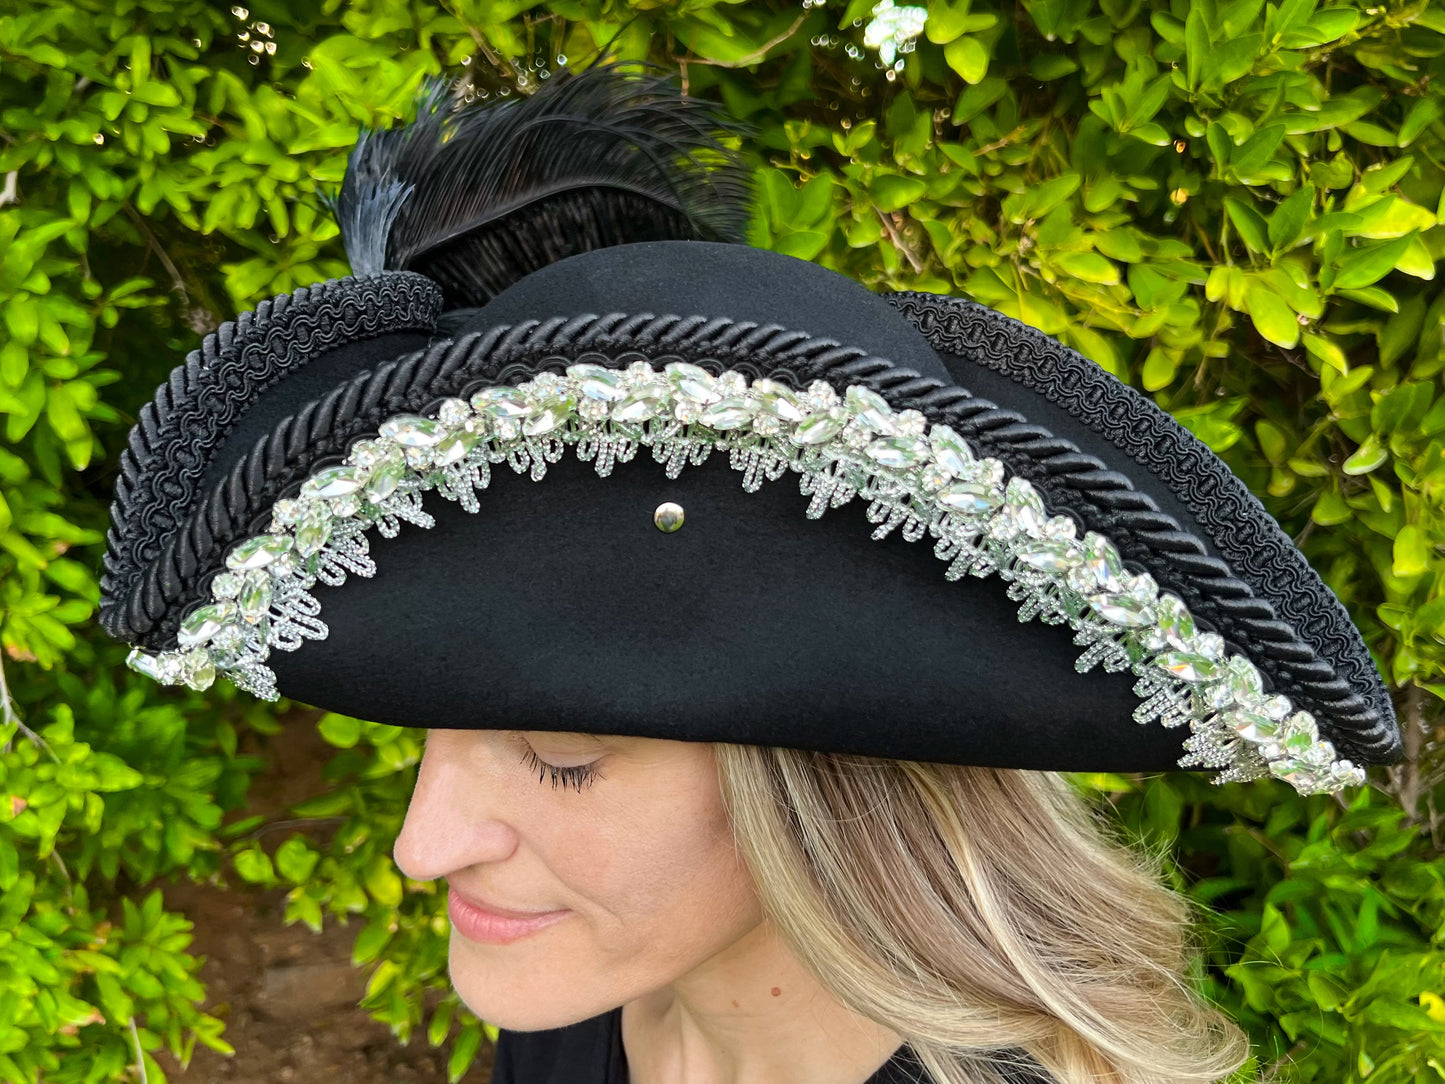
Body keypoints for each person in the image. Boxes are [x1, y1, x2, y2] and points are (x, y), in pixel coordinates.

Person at [98, 56, 1401, 1084]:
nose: (418, 846)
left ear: (832, 774)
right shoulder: (596, 1004)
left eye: (558, 751)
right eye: (429, 732)